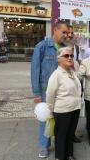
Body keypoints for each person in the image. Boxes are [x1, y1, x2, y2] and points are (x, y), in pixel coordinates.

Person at [31, 20, 68, 158]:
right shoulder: (41, 47)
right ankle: (44, 146)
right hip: (46, 91)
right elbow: (35, 70)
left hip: (61, 91)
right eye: (63, 32)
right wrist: (36, 93)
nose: (65, 35)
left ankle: (59, 143)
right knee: (45, 118)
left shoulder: (65, 49)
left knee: (59, 118)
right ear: (55, 30)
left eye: (67, 33)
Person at [46, 47, 81, 160]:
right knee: (61, 136)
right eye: (66, 56)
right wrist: (51, 112)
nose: (70, 58)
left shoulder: (72, 72)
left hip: (74, 108)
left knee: (70, 134)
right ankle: (60, 157)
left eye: (71, 56)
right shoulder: (56, 75)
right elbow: (50, 95)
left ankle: (69, 154)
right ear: (58, 59)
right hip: (62, 111)